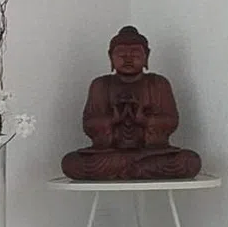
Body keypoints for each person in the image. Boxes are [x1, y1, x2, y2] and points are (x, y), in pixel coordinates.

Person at [61, 25, 201, 180]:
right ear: (110, 57)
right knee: (71, 163)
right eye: (121, 54)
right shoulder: (100, 85)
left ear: (146, 56)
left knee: (189, 161)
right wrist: (112, 120)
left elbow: (172, 121)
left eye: (135, 54)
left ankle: (126, 169)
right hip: (111, 154)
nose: (128, 59)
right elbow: (88, 124)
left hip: (151, 153)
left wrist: (145, 120)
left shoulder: (158, 83)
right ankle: (136, 169)